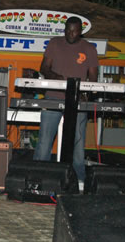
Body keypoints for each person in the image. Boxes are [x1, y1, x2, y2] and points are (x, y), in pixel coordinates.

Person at [33, 16, 99, 183]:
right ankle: (38, 177)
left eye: (74, 31)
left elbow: (93, 76)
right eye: (68, 30)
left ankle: (78, 180)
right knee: (45, 140)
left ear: (81, 32)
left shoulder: (89, 48)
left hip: (77, 101)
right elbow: (44, 68)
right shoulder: (55, 43)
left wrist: (88, 92)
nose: (71, 34)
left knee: (77, 143)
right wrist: (56, 77)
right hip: (53, 96)